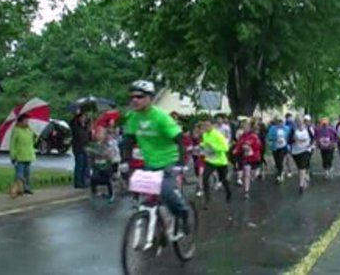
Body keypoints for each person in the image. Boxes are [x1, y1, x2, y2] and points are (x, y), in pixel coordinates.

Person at [121, 80, 191, 234]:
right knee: (147, 196)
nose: (135, 100)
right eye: (132, 97)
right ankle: (156, 223)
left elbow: (180, 140)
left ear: (150, 98)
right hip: (150, 163)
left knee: (166, 192)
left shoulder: (161, 117)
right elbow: (128, 141)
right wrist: (125, 162)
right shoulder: (133, 117)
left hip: (169, 162)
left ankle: (183, 214)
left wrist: (180, 163)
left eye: (139, 96)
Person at [200, 118, 232, 208]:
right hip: (210, 161)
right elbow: (206, 145)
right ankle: (207, 199)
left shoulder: (218, 135)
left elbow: (226, 148)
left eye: (208, 125)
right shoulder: (205, 135)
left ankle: (229, 194)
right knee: (205, 178)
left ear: (213, 126)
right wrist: (202, 146)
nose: (206, 127)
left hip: (221, 161)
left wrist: (214, 147)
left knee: (223, 180)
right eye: (204, 125)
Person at [85, 126, 117, 203]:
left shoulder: (108, 144)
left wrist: (102, 154)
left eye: (101, 133)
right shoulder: (93, 144)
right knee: (93, 179)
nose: (99, 135)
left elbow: (110, 154)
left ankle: (111, 194)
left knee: (108, 180)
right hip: (97, 165)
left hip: (106, 166)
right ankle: (94, 193)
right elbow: (88, 151)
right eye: (98, 133)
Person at [232, 120, 263, 199]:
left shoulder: (254, 136)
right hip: (246, 157)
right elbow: (239, 145)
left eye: (246, 127)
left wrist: (250, 146)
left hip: (254, 157)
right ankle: (246, 192)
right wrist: (236, 150)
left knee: (253, 174)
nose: (244, 129)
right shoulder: (242, 136)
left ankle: (257, 172)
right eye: (243, 128)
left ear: (249, 128)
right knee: (246, 174)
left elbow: (259, 146)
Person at [10, 114, 36, 196]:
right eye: (25, 121)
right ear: (20, 122)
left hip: (28, 155)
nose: (27, 122)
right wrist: (13, 156)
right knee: (19, 175)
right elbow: (12, 144)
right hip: (19, 156)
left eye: (28, 121)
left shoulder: (29, 130)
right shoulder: (16, 131)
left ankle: (26, 188)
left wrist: (35, 136)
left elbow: (32, 143)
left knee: (27, 173)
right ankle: (16, 189)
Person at [289, 116, 314, 194]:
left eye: (300, 121)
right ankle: (305, 178)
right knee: (299, 168)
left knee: (302, 167)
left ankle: (301, 185)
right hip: (296, 151)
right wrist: (294, 139)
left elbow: (313, 138)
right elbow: (289, 140)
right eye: (297, 121)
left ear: (303, 121)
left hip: (305, 150)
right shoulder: (293, 130)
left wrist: (310, 145)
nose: (299, 123)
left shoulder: (308, 129)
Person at [266, 117, 291, 183]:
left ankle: (279, 176)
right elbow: (269, 137)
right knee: (277, 162)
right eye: (279, 122)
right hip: (275, 147)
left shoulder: (287, 128)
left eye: (281, 122)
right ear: (276, 122)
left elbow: (289, 137)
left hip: (283, 147)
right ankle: (280, 171)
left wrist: (288, 144)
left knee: (280, 160)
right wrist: (276, 139)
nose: (280, 123)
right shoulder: (273, 128)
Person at [70, 112, 91, 188]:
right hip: (78, 148)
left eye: (85, 117)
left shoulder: (85, 127)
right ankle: (78, 182)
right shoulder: (76, 126)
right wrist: (76, 114)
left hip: (85, 148)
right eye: (82, 117)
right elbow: (72, 122)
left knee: (85, 165)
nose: (84, 118)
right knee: (79, 165)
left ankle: (84, 181)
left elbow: (89, 137)